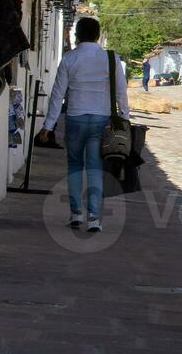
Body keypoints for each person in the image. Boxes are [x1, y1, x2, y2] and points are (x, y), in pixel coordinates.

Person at [41, 17, 130, 234]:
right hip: (102, 120)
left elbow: (57, 95)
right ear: (98, 35)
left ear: (77, 35)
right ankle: (93, 218)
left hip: (75, 118)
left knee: (74, 167)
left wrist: (49, 125)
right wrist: (125, 118)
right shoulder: (111, 58)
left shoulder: (69, 58)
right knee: (94, 168)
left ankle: (75, 214)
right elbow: (121, 92)